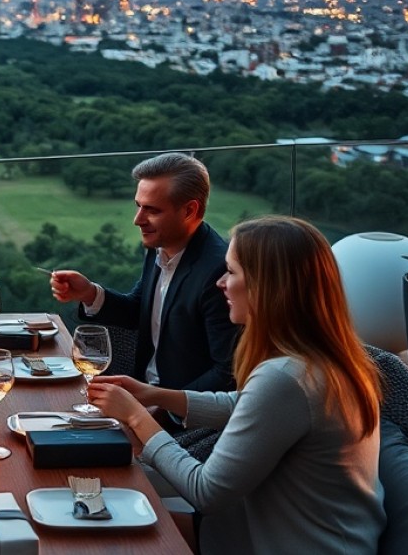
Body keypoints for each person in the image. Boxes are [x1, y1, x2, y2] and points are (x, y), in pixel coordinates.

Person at [89, 216, 385, 554]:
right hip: (258, 530)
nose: (220, 283)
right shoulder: (325, 361)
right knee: (107, 522)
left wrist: (139, 419)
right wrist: (157, 396)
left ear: (267, 286)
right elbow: (245, 403)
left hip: (289, 544)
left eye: (231, 271)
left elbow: (206, 491)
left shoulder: (286, 378)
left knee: (102, 527)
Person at [51, 152, 238, 393]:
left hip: (181, 417)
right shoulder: (159, 246)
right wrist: (89, 294)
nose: (137, 220)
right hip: (142, 394)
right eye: (138, 206)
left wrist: (161, 406)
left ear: (190, 211)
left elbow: (227, 373)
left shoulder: (218, 272)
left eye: (152, 210)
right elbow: (139, 311)